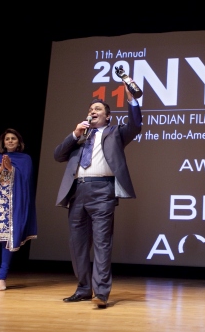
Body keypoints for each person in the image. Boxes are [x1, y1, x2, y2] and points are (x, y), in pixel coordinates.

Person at [54, 79, 142, 309]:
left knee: (102, 243)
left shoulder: (115, 132)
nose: (93, 111)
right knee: (77, 244)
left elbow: (135, 125)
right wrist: (74, 134)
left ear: (108, 116)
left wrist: (132, 101)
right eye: (91, 109)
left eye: (98, 109)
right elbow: (58, 155)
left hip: (103, 190)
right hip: (77, 191)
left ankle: (101, 293)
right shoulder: (80, 136)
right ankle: (83, 288)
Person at [0, 128, 38, 291]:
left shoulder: (26, 159)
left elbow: (26, 181)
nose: (10, 141)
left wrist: (11, 169)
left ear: (19, 142)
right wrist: (0, 169)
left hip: (13, 206)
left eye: (13, 139)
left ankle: (2, 278)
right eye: (7, 139)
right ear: (3, 143)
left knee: (7, 242)